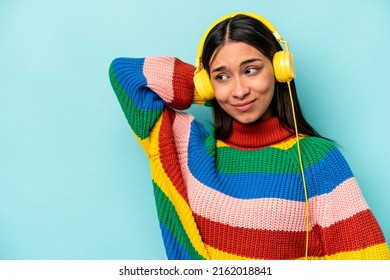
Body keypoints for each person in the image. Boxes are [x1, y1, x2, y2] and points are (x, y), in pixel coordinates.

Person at [108, 12, 390, 260]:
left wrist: (218, 83)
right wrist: (200, 86)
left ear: (280, 70)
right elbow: (125, 75)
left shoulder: (317, 161)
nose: (239, 90)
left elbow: (367, 263)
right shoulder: (191, 145)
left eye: (250, 70)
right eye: (222, 76)